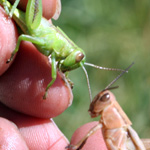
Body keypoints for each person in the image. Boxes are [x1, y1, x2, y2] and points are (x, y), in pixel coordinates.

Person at [0, 0, 106, 149]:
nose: (74, 62)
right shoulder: (57, 45)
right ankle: (10, 10)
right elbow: (23, 38)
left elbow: (61, 68)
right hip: (35, 26)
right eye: (76, 58)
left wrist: (66, 76)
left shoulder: (61, 54)